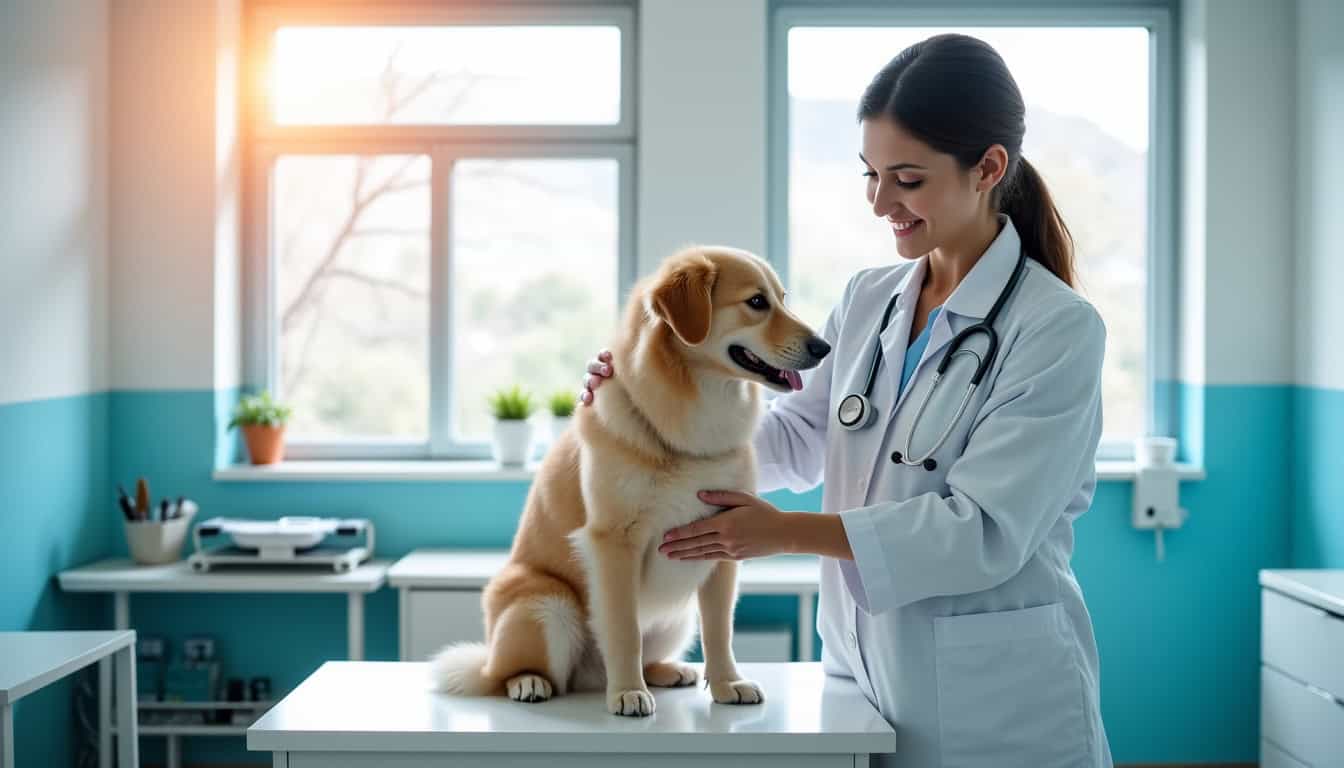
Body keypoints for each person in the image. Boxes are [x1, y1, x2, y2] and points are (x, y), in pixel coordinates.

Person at [581, 33, 1111, 768]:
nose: (879, 202)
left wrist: (787, 533)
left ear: (988, 168)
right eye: (870, 174)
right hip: (863, 678)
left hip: (998, 705)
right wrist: (648, 415)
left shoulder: (1057, 330)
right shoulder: (871, 299)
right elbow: (796, 435)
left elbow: (984, 528)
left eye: (907, 179)